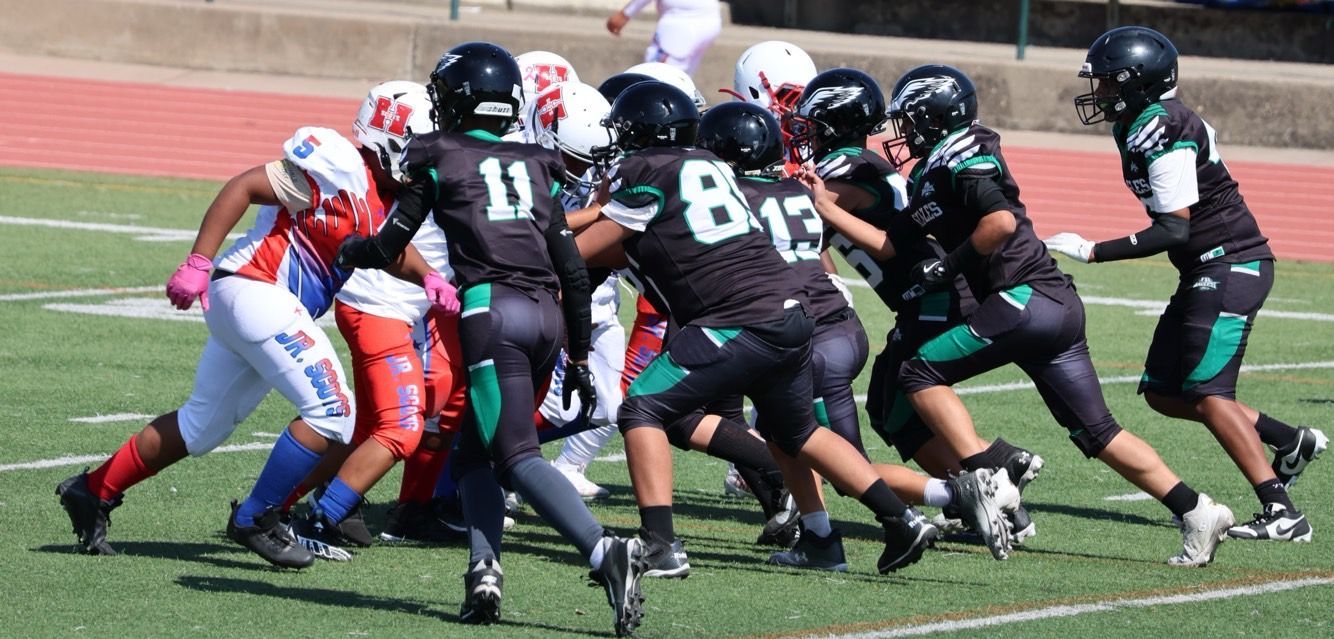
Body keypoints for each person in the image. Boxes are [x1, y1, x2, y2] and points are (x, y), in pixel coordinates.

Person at [55, 82, 451, 568]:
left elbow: (386, 250)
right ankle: (257, 517)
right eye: (423, 145)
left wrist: (429, 277)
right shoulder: (337, 166)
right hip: (255, 289)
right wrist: (198, 259)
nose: (429, 160)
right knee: (332, 409)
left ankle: (93, 490)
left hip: (262, 305)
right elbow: (244, 185)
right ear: (391, 137)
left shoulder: (383, 195)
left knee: (202, 426)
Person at [335, 42, 645, 636]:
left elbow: (388, 242)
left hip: (490, 313)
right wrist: (579, 355)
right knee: (474, 454)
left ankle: (605, 550)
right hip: (548, 319)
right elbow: (573, 272)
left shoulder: (435, 154)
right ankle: (484, 570)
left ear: (455, 100)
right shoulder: (535, 160)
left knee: (517, 455)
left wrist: (355, 251)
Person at [870, 63, 1235, 566]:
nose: (902, 131)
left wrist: (949, 265)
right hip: (1055, 305)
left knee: (917, 372)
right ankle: (1197, 510)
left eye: (909, 120)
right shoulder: (941, 166)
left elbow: (998, 222)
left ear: (933, 118)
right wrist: (824, 204)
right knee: (1100, 433)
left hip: (1023, 300)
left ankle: (988, 481)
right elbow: (897, 237)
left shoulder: (957, 160)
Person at [575, 79, 943, 575]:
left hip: (736, 319)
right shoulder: (713, 170)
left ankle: (660, 544)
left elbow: (584, 251)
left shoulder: (647, 170)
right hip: (793, 314)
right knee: (797, 432)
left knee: (642, 409)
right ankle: (891, 523)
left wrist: (542, 227)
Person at [701, 100, 1021, 567]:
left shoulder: (830, 175)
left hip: (845, 325)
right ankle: (815, 531)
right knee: (822, 426)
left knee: (846, 463)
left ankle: (958, 491)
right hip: (839, 321)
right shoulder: (800, 189)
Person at [1046, 25, 1325, 542]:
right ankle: (1291, 440)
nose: (1101, 93)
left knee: (1209, 392)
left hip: (1229, 264)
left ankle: (1281, 510)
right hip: (1205, 268)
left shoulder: (1164, 125)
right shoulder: (1139, 122)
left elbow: (1175, 226)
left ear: (1140, 81)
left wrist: (1093, 250)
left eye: (1110, 82)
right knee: (1165, 393)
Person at [786, 67, 1044, 544]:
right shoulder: (850, 165)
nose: (804, 136)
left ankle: (999, 468)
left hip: (935, 295)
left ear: (835, 126)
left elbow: (800, 216)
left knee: (895, 406)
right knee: (892, 411)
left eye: (811, 126)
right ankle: (992, 507)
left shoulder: (850, 167)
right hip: (921, 297)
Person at [606, 0, 722, 75]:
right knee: (681, 77)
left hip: (681, 22)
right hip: (710, 18)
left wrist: (626, 13)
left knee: (655, 75)